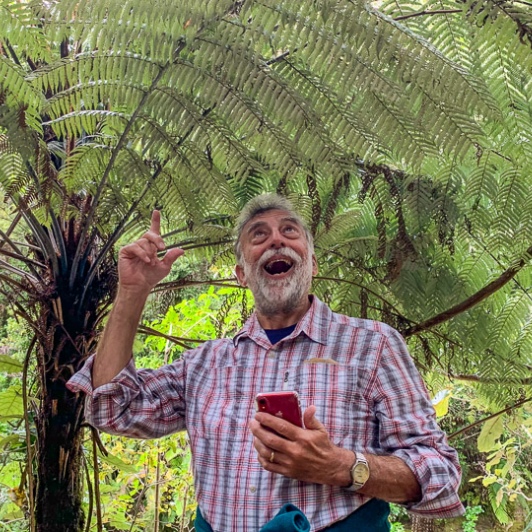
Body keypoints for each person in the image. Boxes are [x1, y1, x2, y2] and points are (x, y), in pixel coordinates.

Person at [67, 194, 464, 531]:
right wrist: (133, 291)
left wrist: (340, 466)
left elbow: (439, 473)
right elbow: (112, 408)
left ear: (313, 265)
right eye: (258, 235)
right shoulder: (204, 364)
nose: (276, 239)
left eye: (290, 231)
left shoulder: (372, 346)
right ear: (241, 274)